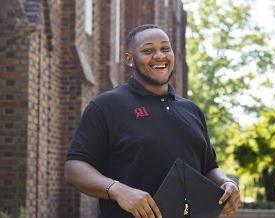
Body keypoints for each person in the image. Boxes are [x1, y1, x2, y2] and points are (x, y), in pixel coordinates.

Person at [64, 24, 240, 218]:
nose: (159, 56)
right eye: (148, 50)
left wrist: (227, 183)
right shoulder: (106, 105)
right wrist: (118, 190)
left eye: (165, 49)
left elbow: (208, 168)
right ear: (130, 60)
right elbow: (74, 168)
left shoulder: (192, 110)